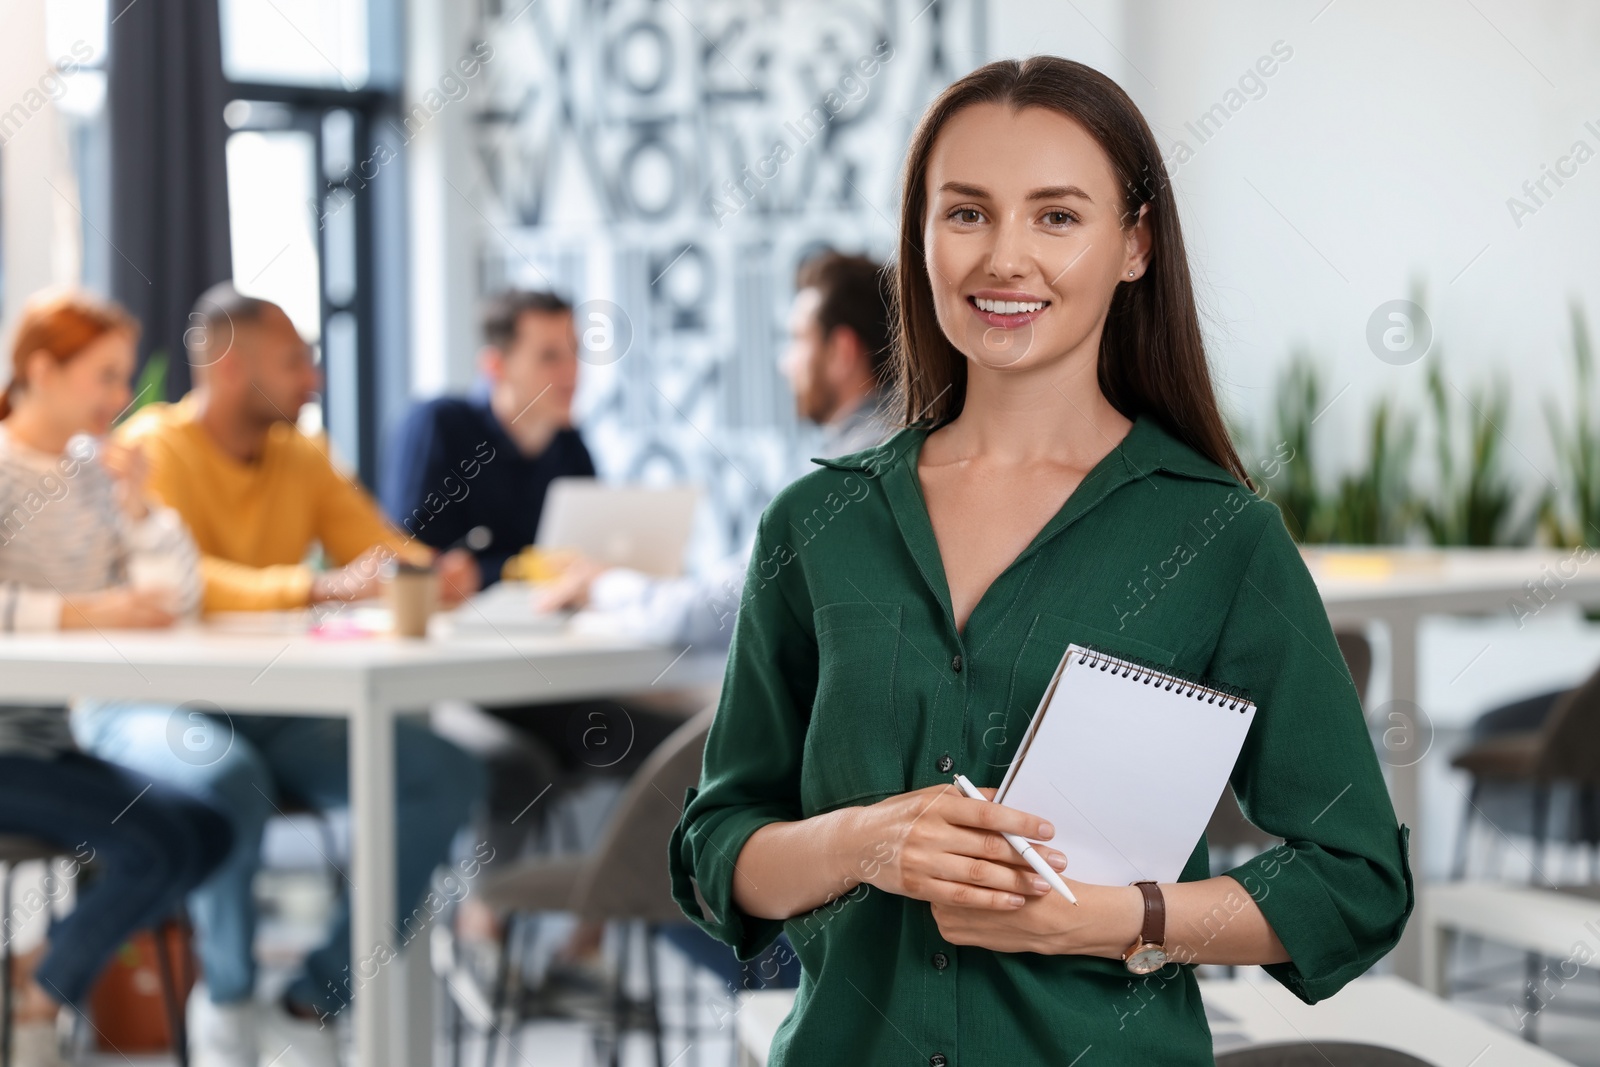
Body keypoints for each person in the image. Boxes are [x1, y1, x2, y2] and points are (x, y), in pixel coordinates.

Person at [668, 57, 1412, 1065]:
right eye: (966, 213)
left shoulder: (1220, 537)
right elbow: (716, 852)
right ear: (920, 237)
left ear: (1134, 243)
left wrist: (1114, 917)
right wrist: (861, 842)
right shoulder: (816, 523)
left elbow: (1354, 878)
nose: (1003, 258)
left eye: (1056, 217)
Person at [71, 283, 486, 1067]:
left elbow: (376, 547)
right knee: (227, 775)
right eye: (296, 361)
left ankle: (311, 999)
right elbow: (188, 585)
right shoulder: (152, 448)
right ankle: (225, 999)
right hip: (141, 700)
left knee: (442, 775)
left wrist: (435, 573)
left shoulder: (303, 456)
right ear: (230, 367)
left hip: (272, 699)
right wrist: (320, 586)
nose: (314, 379)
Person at [0, 291, 231, 1067]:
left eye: (123, 377)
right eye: (103, 376)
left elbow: (181, 597)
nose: (117, 398)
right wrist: (87, 610)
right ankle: (42, 988)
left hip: (48, 744)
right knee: (151, 847)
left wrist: (142, 509)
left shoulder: (94, 476)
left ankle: (41, 968)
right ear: (40, 369)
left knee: (210, 830)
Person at [536, 249, 896, 647]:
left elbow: (707, 616)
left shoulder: (844, 478)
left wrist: (603, 586)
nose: (785, 363)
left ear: (842, 352)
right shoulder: (911, 450)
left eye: (797, 340)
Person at [380, 290, 596, 592]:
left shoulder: (571, 446)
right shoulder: (438, 425)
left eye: (576, 352)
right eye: (549, 356)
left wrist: (488, 572)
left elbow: (581, 558)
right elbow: (414, 563)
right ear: (496, 366)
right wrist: (515, 571)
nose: (572, 372)